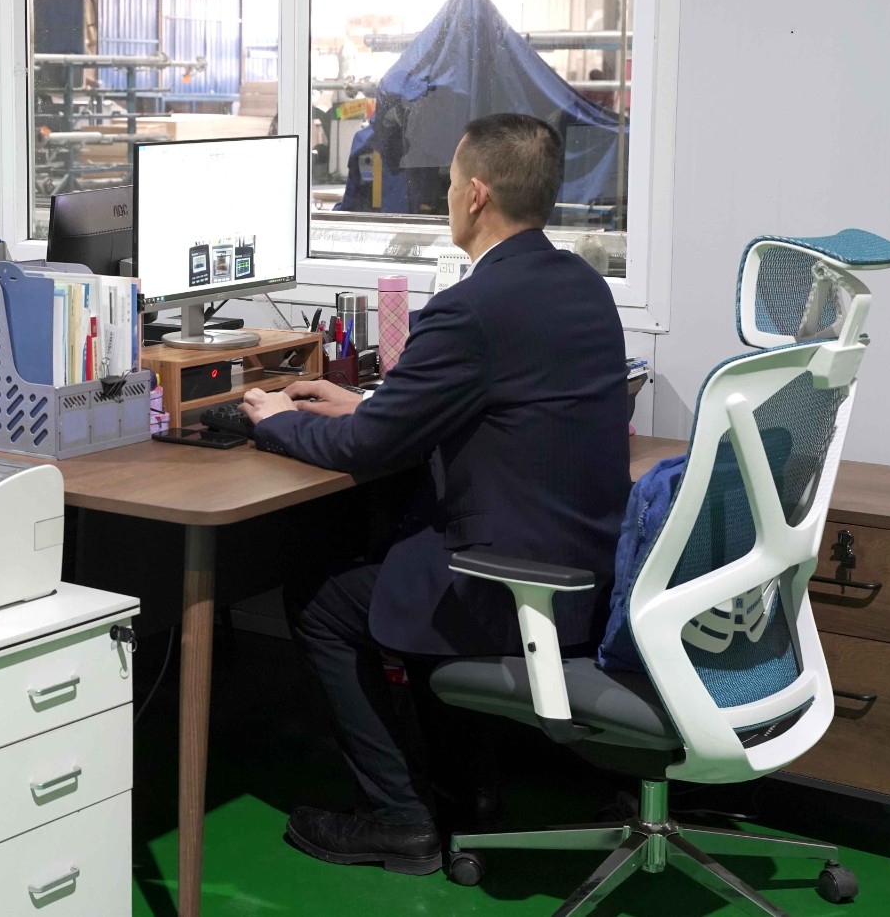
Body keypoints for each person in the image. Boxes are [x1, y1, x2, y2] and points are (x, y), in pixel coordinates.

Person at [239, 113, 630, 875]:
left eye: (450, 183)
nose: (446, 196)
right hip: (585, 570)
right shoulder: (582, 284)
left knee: (322, 600)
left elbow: (365, 449)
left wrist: (277, 419)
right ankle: (465, 794)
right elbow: (482, 405)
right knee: (393, 559)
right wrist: (368, 404)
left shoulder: (471, 308)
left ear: (476, 195)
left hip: (505, 582)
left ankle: (398, 820)